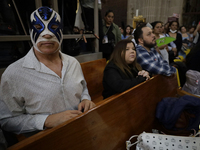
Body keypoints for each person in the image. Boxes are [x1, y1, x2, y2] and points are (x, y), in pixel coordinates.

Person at [0, 6, 95, 136]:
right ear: (31, 31)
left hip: (80, 132)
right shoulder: (14, 73)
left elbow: (83, 88)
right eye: (39, 28)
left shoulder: (73, 63)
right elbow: (6, 120)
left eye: (54, 28)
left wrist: (85, 99)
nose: (47, 34)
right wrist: (45, 121)